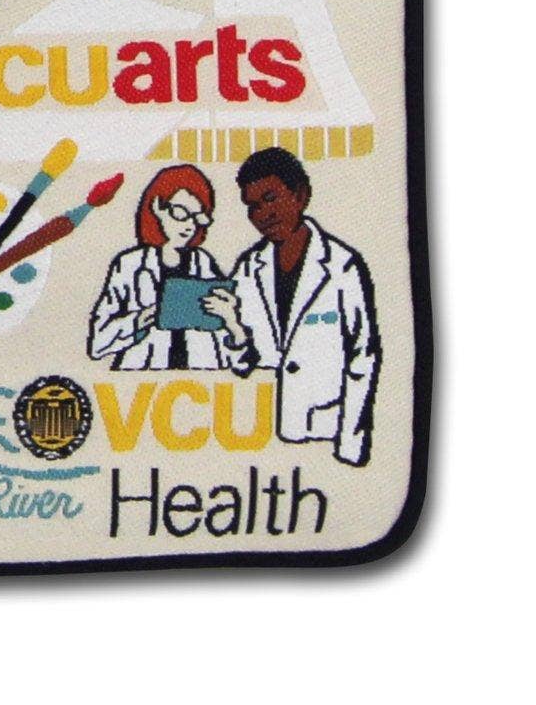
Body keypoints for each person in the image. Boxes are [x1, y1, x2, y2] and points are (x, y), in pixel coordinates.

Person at [226, 147, 379, 466]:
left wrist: (351, 446)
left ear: (300, 195)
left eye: (270, 198)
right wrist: (233, 333)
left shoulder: (342, 267)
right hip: (260, 440)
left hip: (324, 434)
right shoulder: (247, 270)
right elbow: (240, 365)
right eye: (252, 206)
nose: (263, 214)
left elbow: (362, 357)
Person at [88, 165, 251, 372]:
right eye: (181, 213)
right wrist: (142, 319)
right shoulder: (129, 265)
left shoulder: (204, 263)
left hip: (200, 383)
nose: (190, 226)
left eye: (198, 217)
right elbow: (97, 344)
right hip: (141, 382)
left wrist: (232, 323)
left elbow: (241, 365)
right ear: (157, 206)